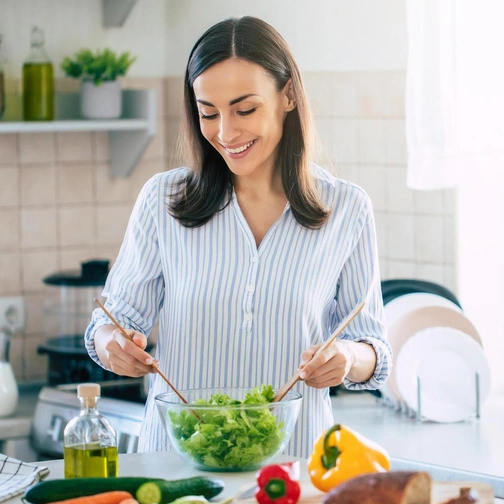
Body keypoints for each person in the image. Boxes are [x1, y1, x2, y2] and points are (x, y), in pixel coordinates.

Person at [85, 16, 391, 457]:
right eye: (209, 113)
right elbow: (109, 324)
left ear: (288, 96)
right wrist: (113, 345)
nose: (226, 134)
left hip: (291, 474)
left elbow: (375, 350)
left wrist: (348, 359)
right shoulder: (162, 200)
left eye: (244, 110)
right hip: (177, 470)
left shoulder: (347, 209)